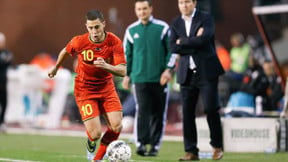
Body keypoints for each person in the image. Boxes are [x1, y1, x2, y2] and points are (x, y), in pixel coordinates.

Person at [48, 10, 126, 162]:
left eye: (97, 27)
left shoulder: (114, 41)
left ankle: (97, 159)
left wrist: (105, 66)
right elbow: (65, 51)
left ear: (103, 24)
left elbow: (122, 71)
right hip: (85, 90)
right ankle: (91, 144)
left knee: (117, 126)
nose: (94, 31)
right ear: (86, 27)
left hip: (106, 88)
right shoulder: (79, 41)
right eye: (90, 28)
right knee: (95, 134)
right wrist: (56, 67)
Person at [162, 0, 224, 160]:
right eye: (181, 2)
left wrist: (182, 41)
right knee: (187, 113)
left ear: (194, 3)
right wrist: (193, 41)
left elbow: (205, 39)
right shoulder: (175, 22)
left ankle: (217, 146)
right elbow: (173, 47)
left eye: (187, 2)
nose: (184, 5)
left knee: (211, 109)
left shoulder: (206, 18)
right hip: (186, 73)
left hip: (207, 72)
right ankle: (191, 151)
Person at [122, 0, 173, 157]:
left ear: (151, 9)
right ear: (135, 10)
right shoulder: (131, 30)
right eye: (139, 9)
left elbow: (172, 51)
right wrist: (127, 75)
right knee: (143, 111)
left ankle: (155, 145)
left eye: (145, 8)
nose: (142, 12)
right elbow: (127, 55)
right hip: (139, 78)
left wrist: (168, 70)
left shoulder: (163, 28)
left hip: (160, 79)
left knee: (158, 113)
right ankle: (142, 144)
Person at [0, 32, 13, 132]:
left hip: (3, 82)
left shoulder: (7, 53)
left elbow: (9, 61)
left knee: (4, 103)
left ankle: (2, 122)